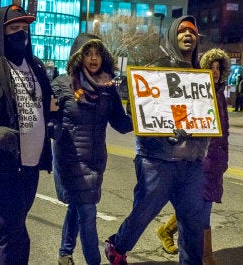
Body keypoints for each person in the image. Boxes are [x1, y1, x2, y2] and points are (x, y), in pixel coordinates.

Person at [104, 15, 209, 265]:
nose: (188, 36)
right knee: (143, 212)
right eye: (182, 31)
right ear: (173, 36)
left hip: (191, 161)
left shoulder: (200, 75)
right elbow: (142, 111)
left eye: (192, 32)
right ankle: (117, 247)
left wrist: (199, 130)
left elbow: (206, 114)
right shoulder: (154, 69)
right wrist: (163, 132)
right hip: (157, 160)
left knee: (193, 223)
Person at [0, 4, 53, 264]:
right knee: (14, 232)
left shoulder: (37, 67)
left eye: (25, 28)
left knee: (6, 226)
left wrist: (53, 125)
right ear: (0, 31)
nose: (21, 33)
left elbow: (45, 107)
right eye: (14, 28)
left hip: (30, 163)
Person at [51, 33, 133, 265]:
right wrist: (51, 126)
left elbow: (120, 122)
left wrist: (143, 115)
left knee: (78, 207)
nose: (94, 58)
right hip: (70, 159)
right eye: (88, 53)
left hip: (96, 160)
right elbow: (48, 116)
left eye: (98, 53)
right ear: (78, 56)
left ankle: (64, 253)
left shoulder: (107, 87)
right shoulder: (62, 84)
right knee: (87, 212)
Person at [156, 48, 230, 264]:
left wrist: (224, 157)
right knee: (201, 211)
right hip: (200, 158)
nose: (215, 72)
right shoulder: (197, 92)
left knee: (198, 207)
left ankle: (167, 231)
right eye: (211, 67)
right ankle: (206, 258)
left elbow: (224, 130)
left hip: (216, 160)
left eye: (219, 68)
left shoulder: (220, 94)